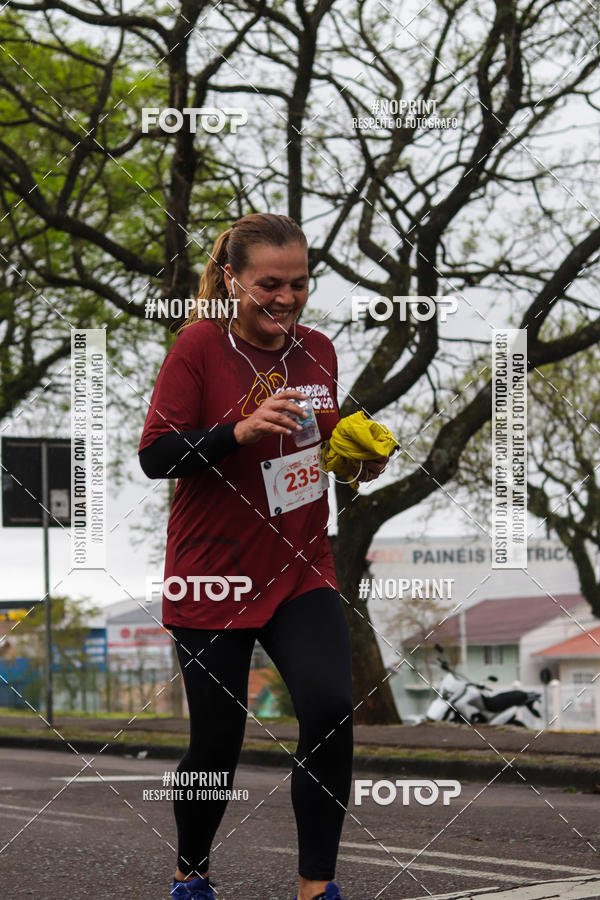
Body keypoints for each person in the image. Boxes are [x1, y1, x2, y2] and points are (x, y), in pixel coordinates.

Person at [138, 213, 387, 900]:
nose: (286, 298)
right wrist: (239, 431)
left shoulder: (318, 350)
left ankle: (316, 886)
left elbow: (317, 443)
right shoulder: (198, 346)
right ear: (231, 280)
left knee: (330, 709)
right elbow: (156, 455)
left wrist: (354, 459)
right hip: (213, 574)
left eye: (299, 283)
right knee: (217, 741)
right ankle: (191, 874)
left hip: (300, 566)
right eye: (269, 284)